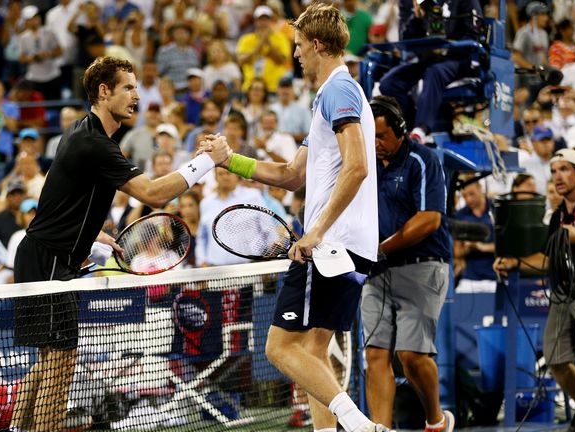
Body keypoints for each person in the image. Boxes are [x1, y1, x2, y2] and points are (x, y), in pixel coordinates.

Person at [9, 56, 229, 432]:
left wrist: (90, 233)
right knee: (61, 360)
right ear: (103, 91)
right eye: (127, 87)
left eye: (136, 88)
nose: (136, 96)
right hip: (49, 260)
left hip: (43, 255)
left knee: (48, 358)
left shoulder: (85, 134)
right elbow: (155, 194)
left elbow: (59, 200)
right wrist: (208, 162)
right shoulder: (94, 143)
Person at [202, 4, 384, 431]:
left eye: (300, 46)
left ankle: (360, 426)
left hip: (330, 245)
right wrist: (230, 161)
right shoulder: (332, 97)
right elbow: (290, 175)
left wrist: (316, 231)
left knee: (280, 349)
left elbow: (357, 166)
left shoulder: (340, 91)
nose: (297, 54)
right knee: (313, 354)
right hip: (348, 246)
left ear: (317, 45)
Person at [362, 96, 455, 432]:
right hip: (377, 272)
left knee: (411, 357)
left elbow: (429, 219)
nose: (374, 144)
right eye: (368, 136)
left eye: (381, 136)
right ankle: (381, 429)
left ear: (400, 131)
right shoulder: (364, 166)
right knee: (374, 356)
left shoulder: (423, 159)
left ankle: (437, 420)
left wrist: (380, 248)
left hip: (422, 267)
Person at [495, 148, 575, 432]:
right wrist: (513, 263)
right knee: (556, 358)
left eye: (564, 170)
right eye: (554, 171)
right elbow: (546, 258)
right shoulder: (557, 215)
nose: (557, 177)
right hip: (563, 289)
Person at [378, 0, 483, 143]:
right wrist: (417, 18)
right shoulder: (423, 2)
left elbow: (474, 34)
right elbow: (406, 39)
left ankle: (421, 130)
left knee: (434, 72)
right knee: (389, 83)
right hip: (430, 58)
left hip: (460, 59)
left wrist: (447, 48)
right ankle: (407, 126)